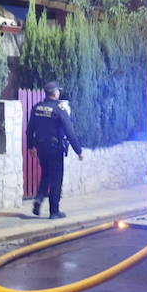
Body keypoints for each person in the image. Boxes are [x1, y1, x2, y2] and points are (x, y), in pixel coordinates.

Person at [26, 80, 84, 219]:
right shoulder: (59, 109)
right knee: (56, 179)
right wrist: (78, 150)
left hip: (41, 148)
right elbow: (70, 132)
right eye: (58, 91)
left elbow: (29, 130)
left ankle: (39, 198)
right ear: (55, 92)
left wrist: (30, 146)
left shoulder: (37, 108)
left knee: (46, 174)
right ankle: (54, 211)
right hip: (55, 148)